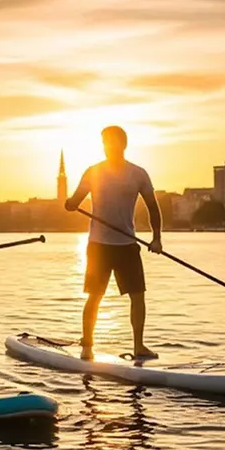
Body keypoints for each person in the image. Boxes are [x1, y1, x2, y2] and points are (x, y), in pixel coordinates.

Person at [64, 125, 162, 361]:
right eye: (105, 142)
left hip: (127, 244)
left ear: (123, 144)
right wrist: (70, 203)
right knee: (95, 295)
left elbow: (153, 206)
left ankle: (139, 346)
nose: (108, 146)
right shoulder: (92, 172)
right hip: (99, 245)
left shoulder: (138, 174)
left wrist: (157, 237)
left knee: (138, 295)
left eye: (112, 142)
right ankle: (87, 346)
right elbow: (75, 200)